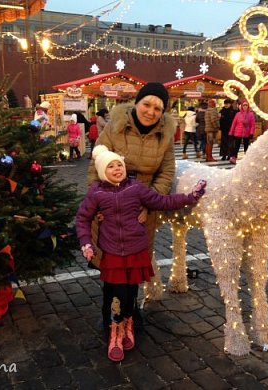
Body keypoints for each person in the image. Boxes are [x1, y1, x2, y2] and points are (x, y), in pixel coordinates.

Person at [77, 145, 207, 362]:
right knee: (117, 295)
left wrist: (190, 196)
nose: (117, 168)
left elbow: (162, 201)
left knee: (131, 292)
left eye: (119, 164)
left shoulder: (135, 188)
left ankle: (128, 324)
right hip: (113, 254)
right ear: (102, 171)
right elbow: (82, 218)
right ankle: (115, 332)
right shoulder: (96, 193)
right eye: (111, 166)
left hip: (135, 251)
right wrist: (86, 243)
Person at [87, 82, 175, 328]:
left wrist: (150, 203)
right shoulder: (115, 127)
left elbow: (166, 173)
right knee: (113, 263)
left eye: (158, 108)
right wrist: (99, 205)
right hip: (109, 204)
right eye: (147, 104)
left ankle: (131, 310)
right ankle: (113, 313)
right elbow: (96, 165)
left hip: (141, 210)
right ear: (137, 103)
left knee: (135, 263)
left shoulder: (164, 136)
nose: (151, 112)